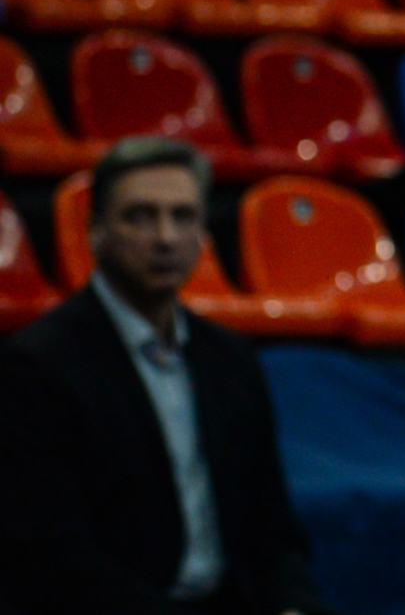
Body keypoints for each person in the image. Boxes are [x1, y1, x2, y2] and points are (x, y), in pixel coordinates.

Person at [0, 137, 332, 615]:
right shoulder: (36, 367)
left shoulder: (231, 359)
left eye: (183, 216)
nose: (165, 237)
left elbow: (272, 531)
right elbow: (53, 557)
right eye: (140, 216)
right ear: (95, 232)